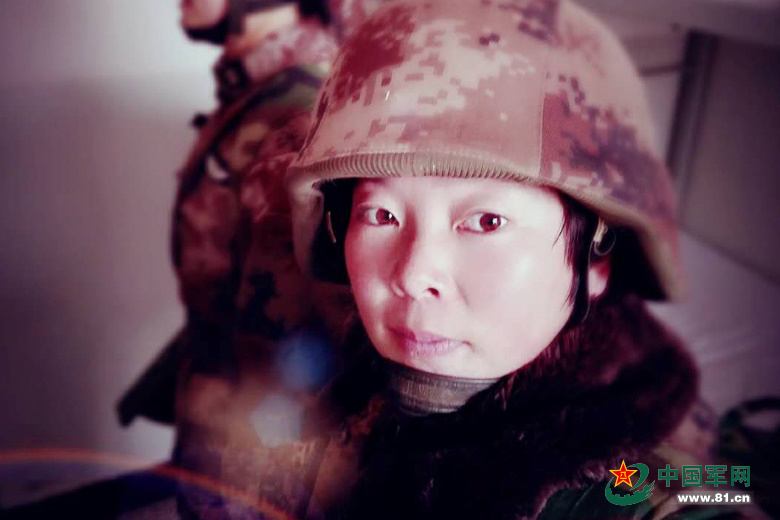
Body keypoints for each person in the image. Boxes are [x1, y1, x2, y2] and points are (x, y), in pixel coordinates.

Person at [183, 0, 761, 517]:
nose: (413, 275)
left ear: (597, 260)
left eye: (486, 222)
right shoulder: (334, 399)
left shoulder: (659, 492)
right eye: (380, 214)